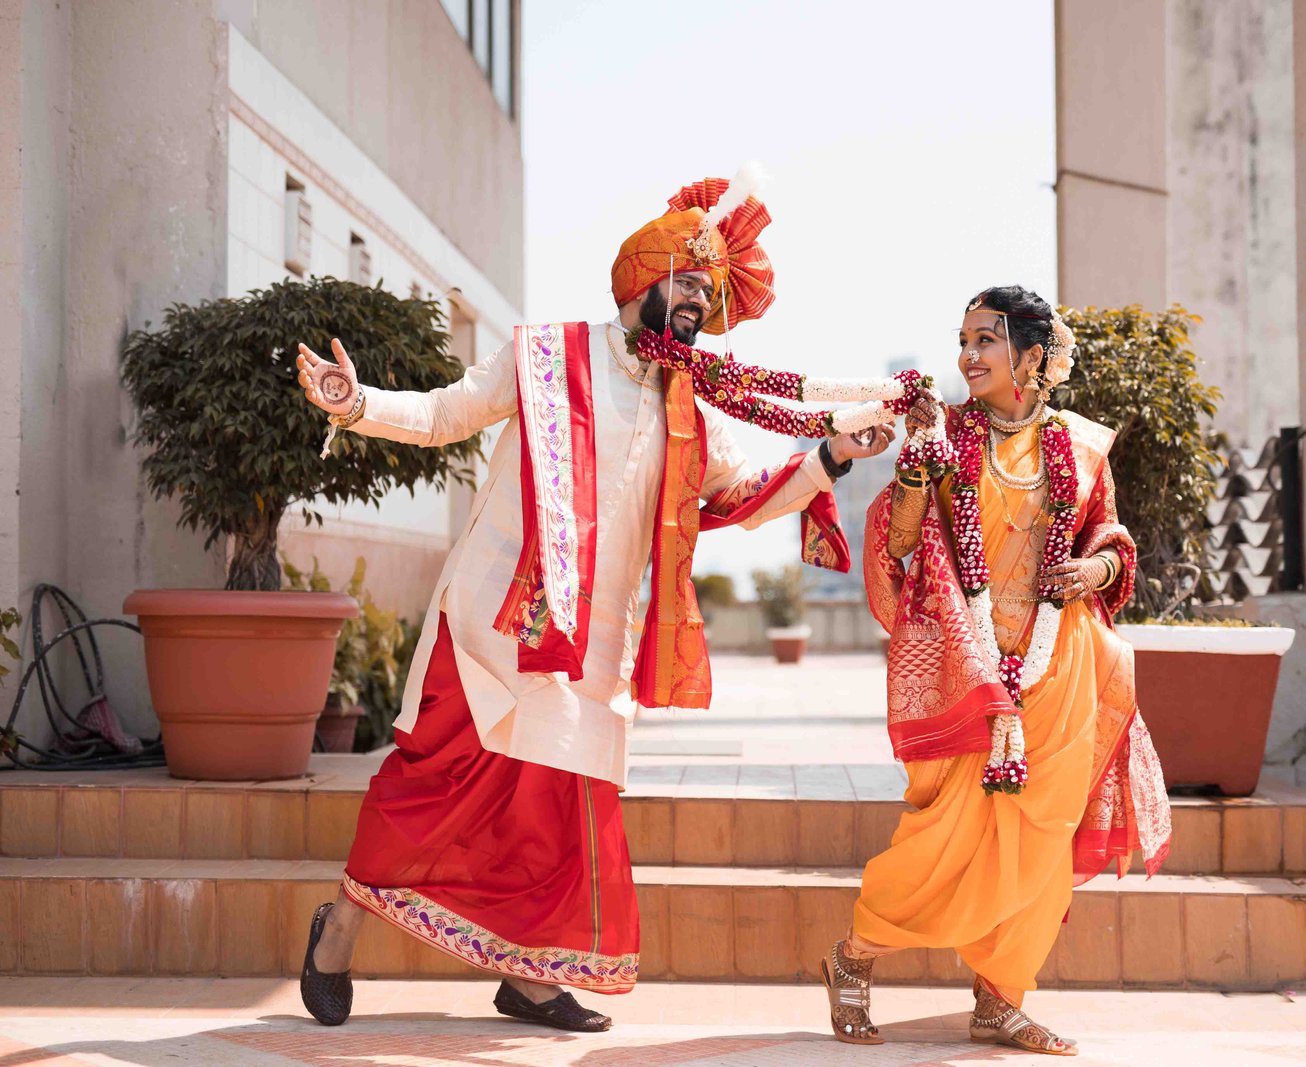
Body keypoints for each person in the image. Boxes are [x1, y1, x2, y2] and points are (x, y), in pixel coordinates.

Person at [291, 173, 894, 1031]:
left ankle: (531, 979)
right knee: (428, 782)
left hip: (597, 644)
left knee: (558, 816)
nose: (699, 302)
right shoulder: (546, 355)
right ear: (643, 277)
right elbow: (445, 414)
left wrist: (831, 455)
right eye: (687, 283)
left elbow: (736, 496)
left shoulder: (692, 400)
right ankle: (340, 930)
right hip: (497, 618)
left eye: (710, 291)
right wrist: (356, 404)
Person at [820, 286, 1171, 1056]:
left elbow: (1111, 538)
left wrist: (1094, 570)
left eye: (985, 339)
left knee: (1041, 844)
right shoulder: (946, 433)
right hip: (968, 665)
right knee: (941, 835)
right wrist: (917, 473)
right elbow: (901, 544)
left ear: (1033, 356)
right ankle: (854, 955)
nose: (967, 355)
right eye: (964, 340)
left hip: (1058, 668)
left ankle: (1000, 998)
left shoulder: (1082, 445)